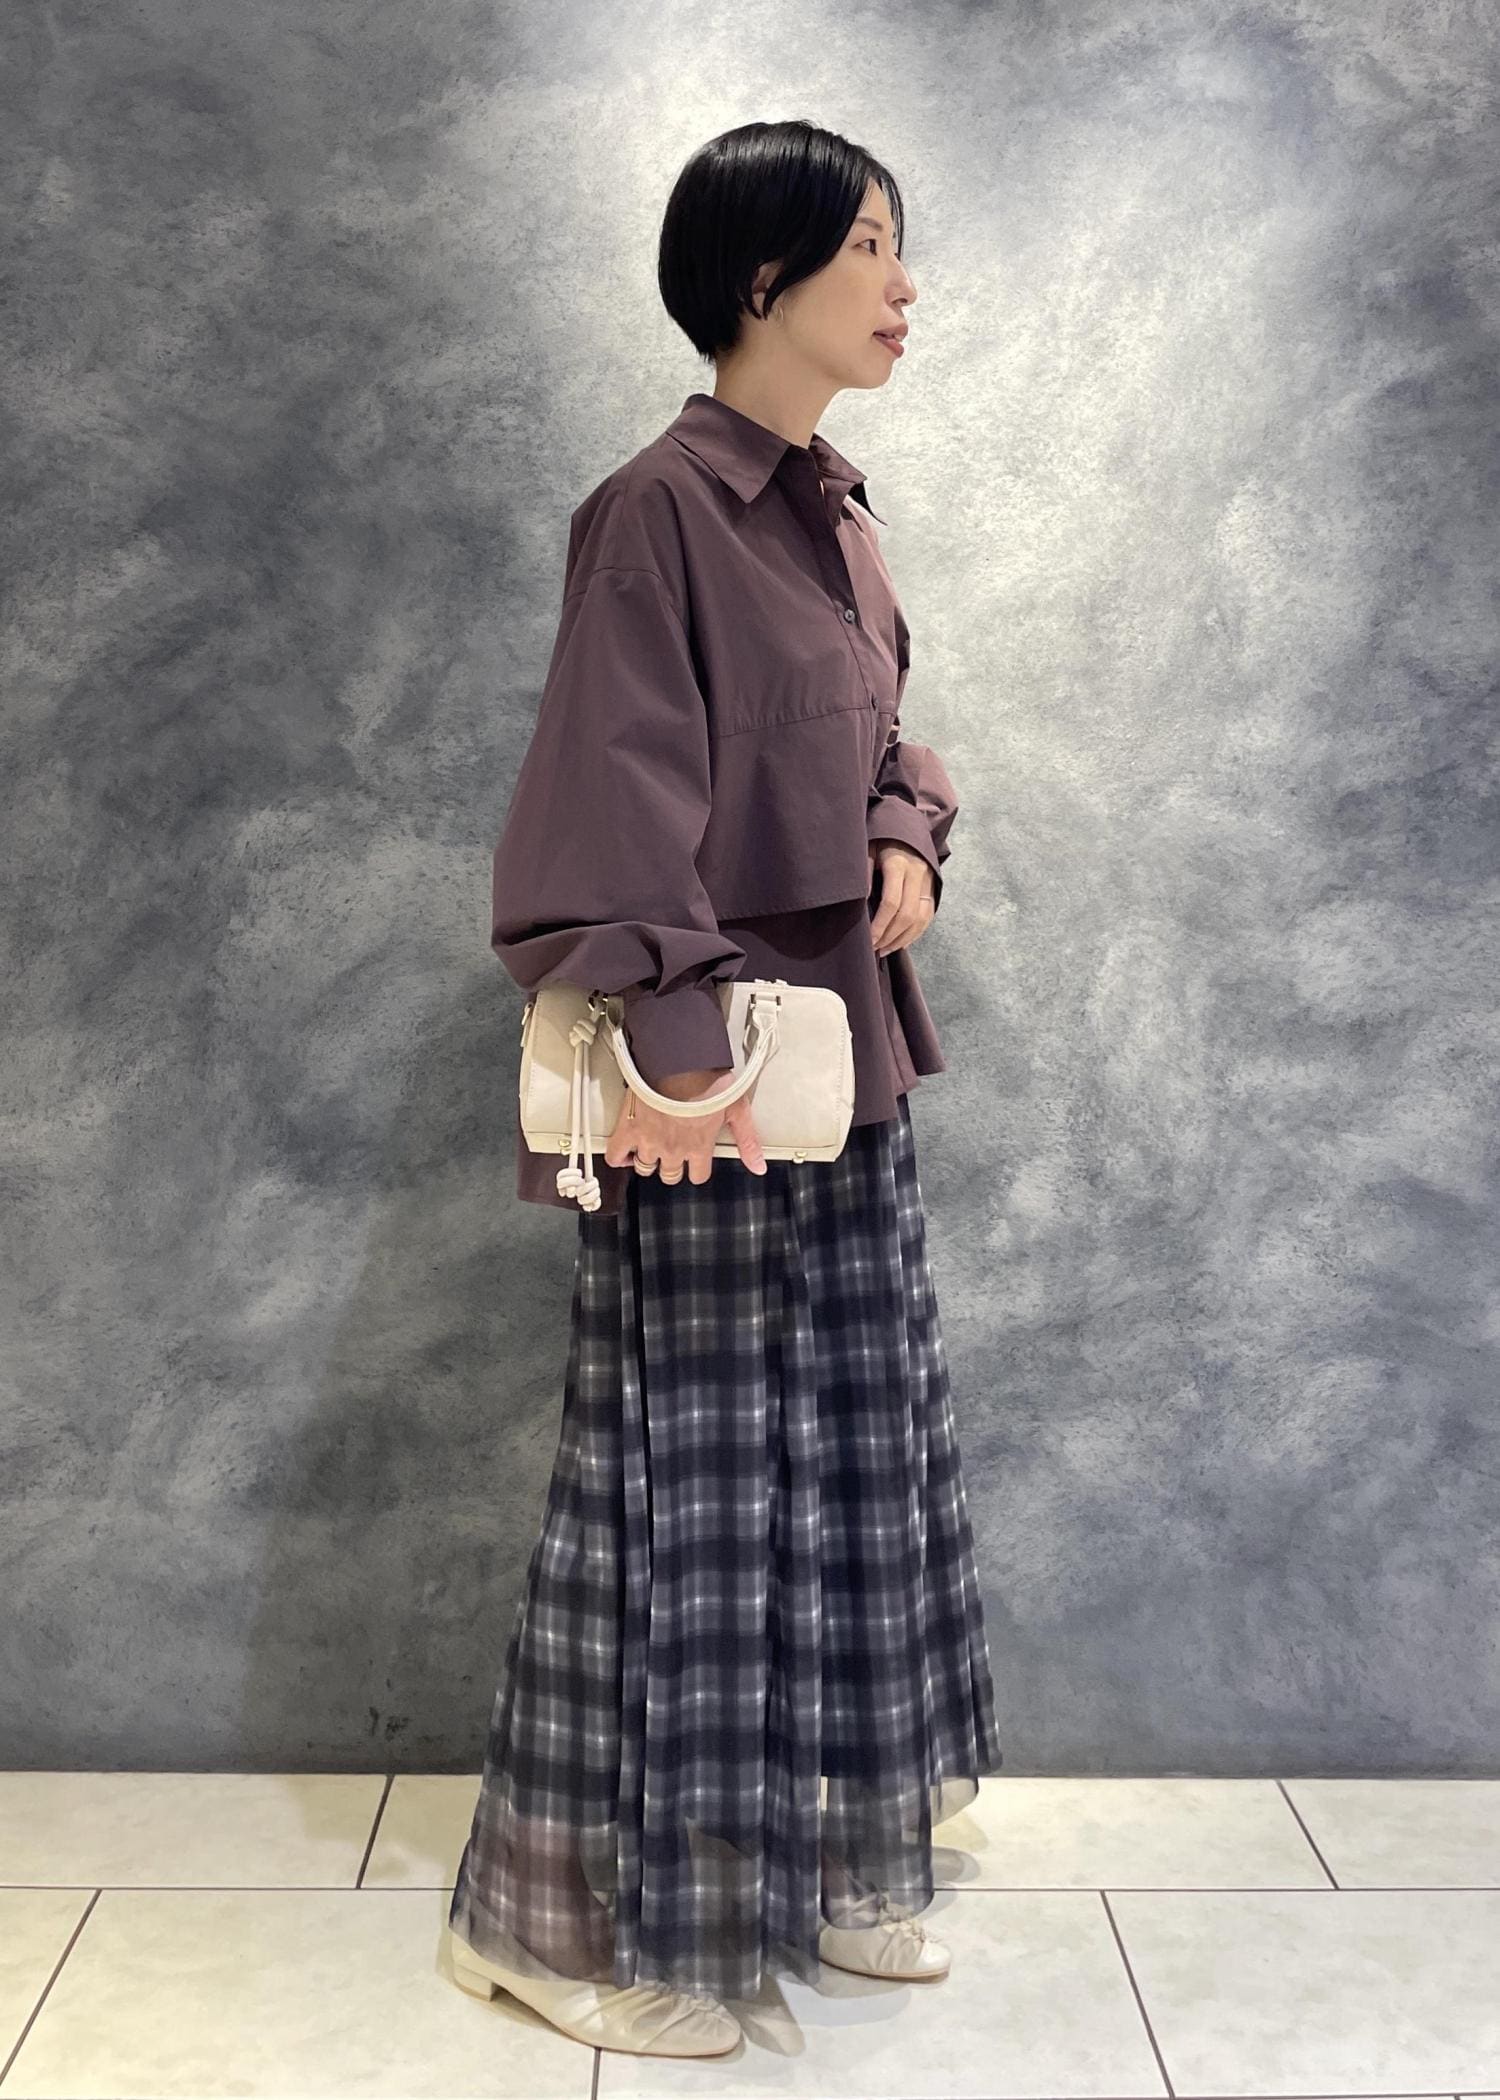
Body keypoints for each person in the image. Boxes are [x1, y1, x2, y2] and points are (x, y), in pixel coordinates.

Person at [446, 118, 1005, 2061]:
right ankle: (548, 1926)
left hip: (839, 1070)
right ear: (760, 280)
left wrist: (905, 827)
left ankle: (819, 1862)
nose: (904, 284)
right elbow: (603, 804)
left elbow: (875, 732)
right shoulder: (657, 512)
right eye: (868, 247)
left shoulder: (834, 506)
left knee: (845, 1469)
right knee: (677, 1505)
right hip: (714, 1094)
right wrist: (679, 1064)